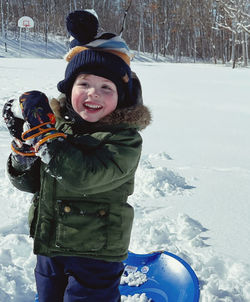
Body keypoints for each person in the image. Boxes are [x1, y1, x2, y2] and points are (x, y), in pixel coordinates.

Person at [2, 10, 151, 302]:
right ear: (69, 90)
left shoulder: (124, 139)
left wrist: (45, 137)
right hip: (49, 245)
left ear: (121, 97)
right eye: (83, 84)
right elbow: (31, 184)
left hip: (96, 253)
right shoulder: (59, 129)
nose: (93, 94)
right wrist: (24, 146)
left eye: (106, 88)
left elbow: (83, 176)